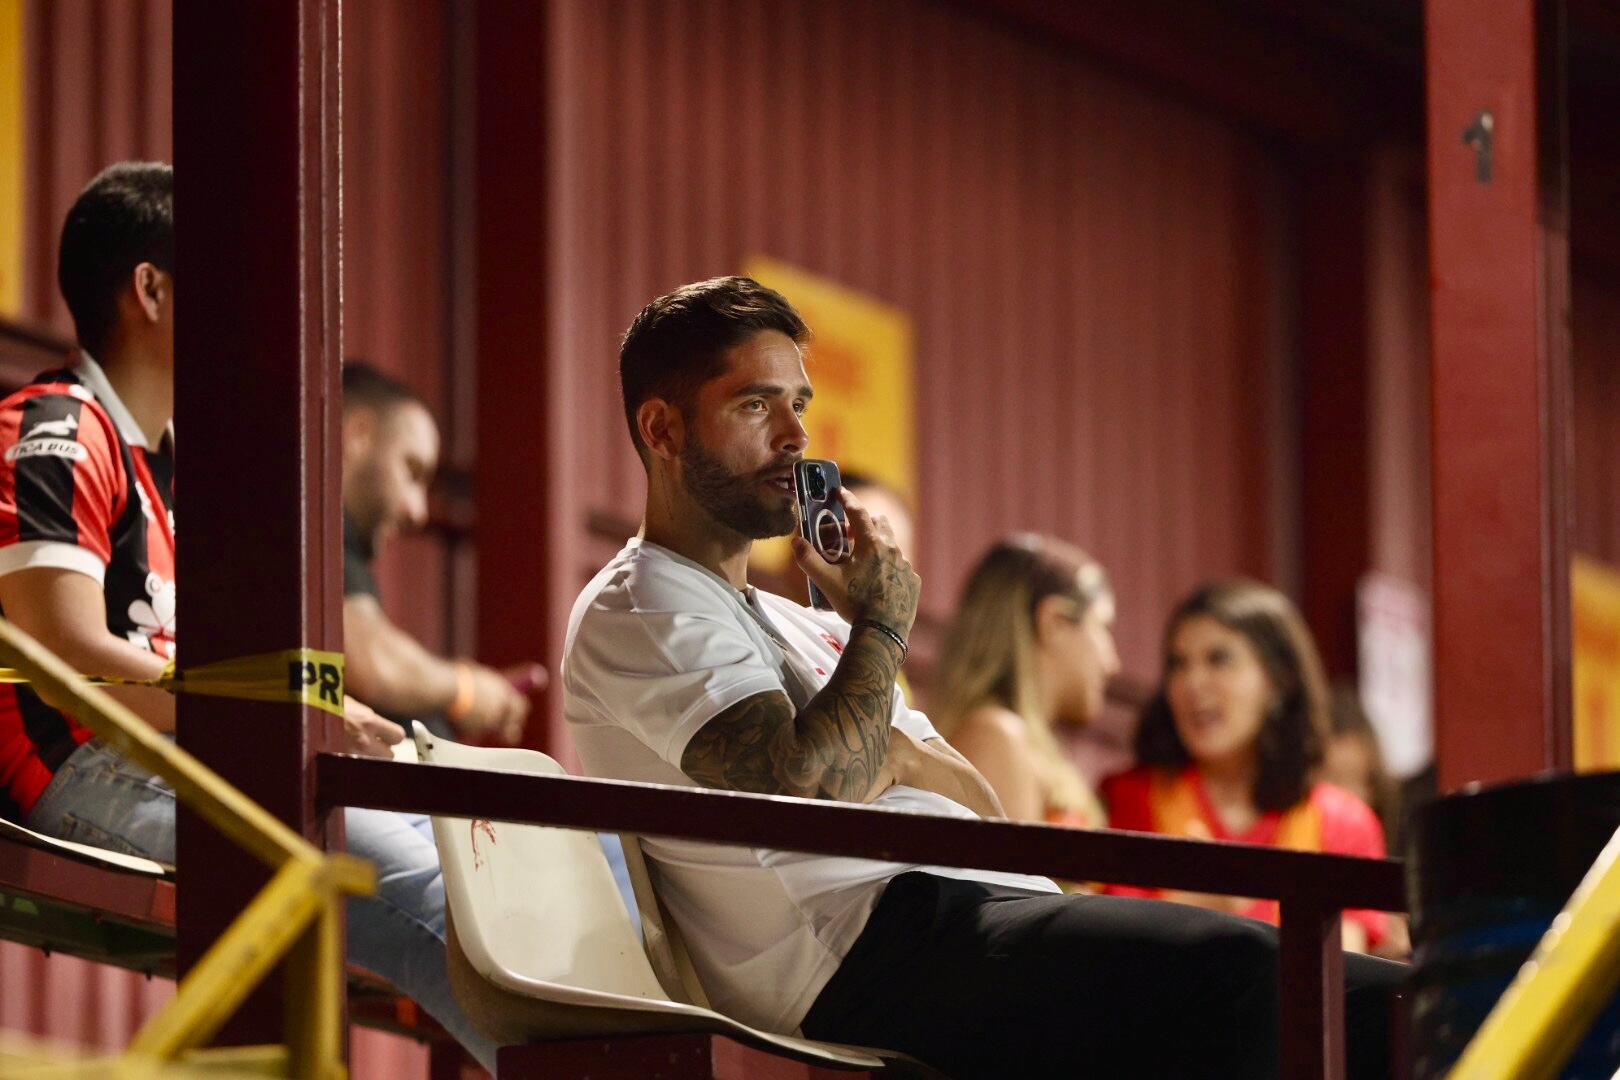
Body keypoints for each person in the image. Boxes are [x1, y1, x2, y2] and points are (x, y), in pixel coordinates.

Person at [561, 276, 1403, 1079]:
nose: (795, 437)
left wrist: (885, 750)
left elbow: (953, 783)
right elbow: (802, 780)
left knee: (1383, 998)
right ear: (663, 430)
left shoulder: (807, 623)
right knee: (1242, 976)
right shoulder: (639, 604)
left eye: (800, 404)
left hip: (971, 907)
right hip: (857, 950)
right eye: (755, 405)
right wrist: (884, 631)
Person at [0, 163, 496, 1072]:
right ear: (149, 290)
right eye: (219, 285)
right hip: (80, 773)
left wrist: (312, 718)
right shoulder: (59, 427)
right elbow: (64, 658)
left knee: (458, 915)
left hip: (180, 762)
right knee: (437, 875)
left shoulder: (178, 467)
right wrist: (283, 716)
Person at [1103, 579, 1390, 953]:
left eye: (1219, 659)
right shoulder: (1130, 796)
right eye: (1178, 664)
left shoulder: (1344, 821)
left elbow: (1341, 975)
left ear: (1279, 681)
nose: (1192, 683)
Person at [340, 362, 539, 743]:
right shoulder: (314, 527)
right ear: (358, 435)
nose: (418, 512)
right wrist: (465, 689)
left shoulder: (340, 549)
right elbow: (372, 663)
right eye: (412, 471)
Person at [929, 535, 1116, 828]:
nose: (1112, 663)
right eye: (1102, 627)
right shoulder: (996, 736)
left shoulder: (1016, 740)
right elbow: (1007, 876)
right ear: (1052, 622)